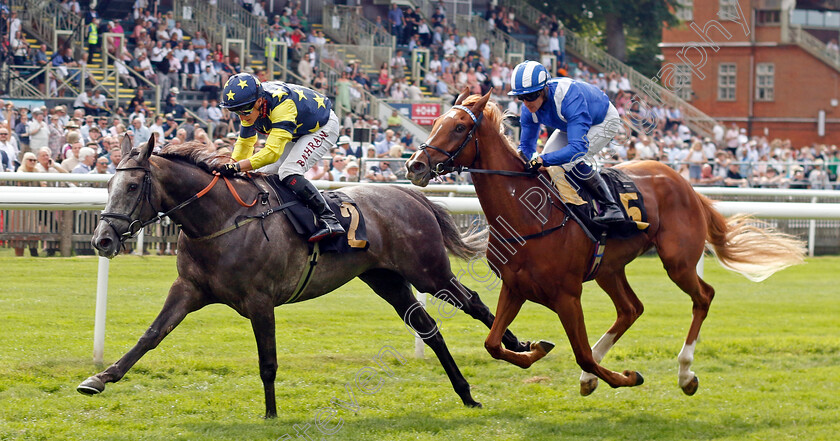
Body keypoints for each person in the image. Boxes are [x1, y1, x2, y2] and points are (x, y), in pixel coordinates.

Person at [216, 72, 345, 242]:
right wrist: (232, 167)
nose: (242, 117)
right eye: (235, 112)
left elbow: (272, 153)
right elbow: (245, 144)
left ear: (259, 101)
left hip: (322, 127)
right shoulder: (249, 107)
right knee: (262, 172)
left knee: (289, 171)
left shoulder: (282, 105)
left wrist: (237, 167)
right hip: (298, 131)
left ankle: (329, 219)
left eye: (244, 111)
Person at [510, 60, 624, 224]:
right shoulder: (528, 110)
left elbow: (577, 148)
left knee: (571, 160)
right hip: (569, 125)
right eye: (521, 97)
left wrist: (543, 160)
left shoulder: (568, 97)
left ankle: (612, 207)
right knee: (548, 161)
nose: (527, 103)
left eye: (531, 95)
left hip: (603, 120)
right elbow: (526, 148)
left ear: (544, 89)